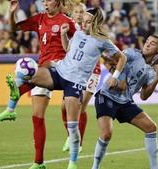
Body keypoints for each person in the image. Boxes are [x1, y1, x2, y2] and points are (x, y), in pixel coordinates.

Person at [1, 7, 126, 169]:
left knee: (72, 127)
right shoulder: (79, 33)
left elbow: (122, 58)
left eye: (88, 21)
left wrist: (114, 77)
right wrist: (63, 35)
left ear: (96, 22)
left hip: (74, 83)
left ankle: (73, 163)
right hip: (59, 73)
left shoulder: (103, 41)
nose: (84, 24)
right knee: (26, 73)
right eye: (84, 21)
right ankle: (11, 109)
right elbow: (68, 50)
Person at [0, 0, 76, 169]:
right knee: (37, 116)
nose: (45, 3)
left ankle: (12, 105)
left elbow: (80, 42)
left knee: (26, 77)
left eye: (49, 0)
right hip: (43, 68)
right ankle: (38, 163)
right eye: (43, 0)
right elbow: (14, 28)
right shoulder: (39, 19)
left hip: (61, 69)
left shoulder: (67, 22)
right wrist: (12, 12)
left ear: (58, 2)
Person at [91, 35, 158, 169]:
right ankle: (95, 167)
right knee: (106, 134)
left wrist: (157, 78)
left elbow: (144, 96)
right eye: (147, 41)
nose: (147, 44)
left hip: (125, 101)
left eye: (152, 43)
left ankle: (155, 167)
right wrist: (119, 77)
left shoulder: (152, 70)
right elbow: (108, 61)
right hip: (107, 95)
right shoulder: (132, 53)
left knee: (151, 128)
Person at [61, 2, 101, 153]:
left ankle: (78, 142)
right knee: (64, 107)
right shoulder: (71, 27)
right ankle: (71, 136)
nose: (79, 14)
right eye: (76, 12)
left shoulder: (93, 30)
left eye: (82, 12)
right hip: (73, 72)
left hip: (92, 72)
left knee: (80, 107)